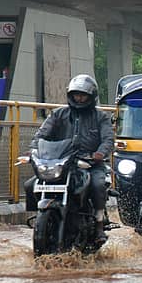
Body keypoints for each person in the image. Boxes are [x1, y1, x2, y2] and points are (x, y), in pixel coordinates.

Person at [29, 74, 113, 243]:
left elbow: (108, 139)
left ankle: (98, 223)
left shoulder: (101, 116)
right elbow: (41, 135)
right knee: (31, 184)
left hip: (90, 163)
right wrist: (33, 149)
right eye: (76, 95)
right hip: (62, 162)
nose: (79, 98)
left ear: (91, 96)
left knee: (97, 185)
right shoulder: (58, 114)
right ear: (70, 95)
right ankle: (41, 217)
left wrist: (99, 153)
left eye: (83, 95)